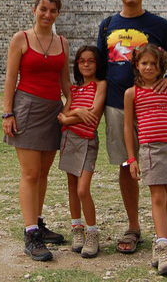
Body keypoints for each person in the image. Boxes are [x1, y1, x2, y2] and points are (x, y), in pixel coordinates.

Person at [96, 0, 167, 263]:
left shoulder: (159, 24)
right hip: (117, 103)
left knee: (166, 172)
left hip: (154, 106)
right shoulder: (106, 25)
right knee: (128, 165)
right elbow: (101, 68)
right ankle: (133, 227)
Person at [2, 0, 72, 262]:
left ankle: (38, 222)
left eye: (53, 11)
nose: (47, 14)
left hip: (53, 109)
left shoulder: (63, 42)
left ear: (58, 14)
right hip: (27, 108)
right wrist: (7, 113)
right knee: (30, 173)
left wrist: (70, 108)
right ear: (35, 10)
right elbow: (10, 78)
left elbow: (65, 82)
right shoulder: (21, 39)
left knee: (44, 172)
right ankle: (31, 234)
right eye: (43, 9)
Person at [123, 44, 167, 275]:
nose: (149, 67)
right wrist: (131, 158)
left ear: (161, 67)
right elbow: (128, 128)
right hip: (149, 149)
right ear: (137, 66)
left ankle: (166, 239)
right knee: (158, 196)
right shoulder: (131, 93)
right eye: (144, 63)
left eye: (153, 63)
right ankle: (162, 245)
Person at [57, 45, 107, 258]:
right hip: (69, 139)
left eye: (91, 60)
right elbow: (63, 115)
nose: (86, 64)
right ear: (77, 65)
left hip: (86, 140)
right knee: (71, 186)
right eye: (81, 61)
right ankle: (77, 228)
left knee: (82, 189)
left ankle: (92, 232)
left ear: (97, 64)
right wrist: (76, 112)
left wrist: (69, 117)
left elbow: (94, 113)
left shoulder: (101, 85)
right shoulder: (74, 90)